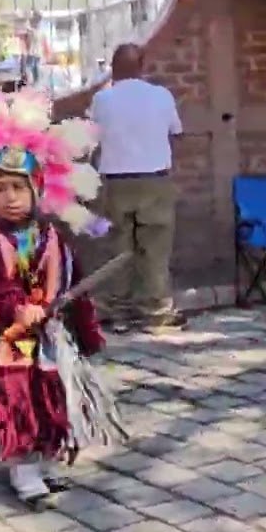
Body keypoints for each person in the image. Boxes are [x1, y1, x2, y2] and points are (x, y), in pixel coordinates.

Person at [0, 87, 125, 510]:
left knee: (48, 395)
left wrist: (81, 327)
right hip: (7, 342)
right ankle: (22, 468)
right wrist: (17, 307)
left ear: (38, 188)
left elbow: (73, 279)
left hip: (48, 338)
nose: (10, 196)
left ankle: (42, 458)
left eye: (18, 187)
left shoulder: (52, 237)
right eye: (0, 189)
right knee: (15, 399)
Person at [88, 43, 184, 330]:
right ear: (142, 66)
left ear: (113, 69)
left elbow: (91, 137)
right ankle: (156, 311)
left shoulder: (102, 99)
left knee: (119, 248)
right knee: (155, 248)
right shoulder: (161, 95)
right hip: (154, 179)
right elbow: (176, 132)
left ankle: (117, 311)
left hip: (116, 181)